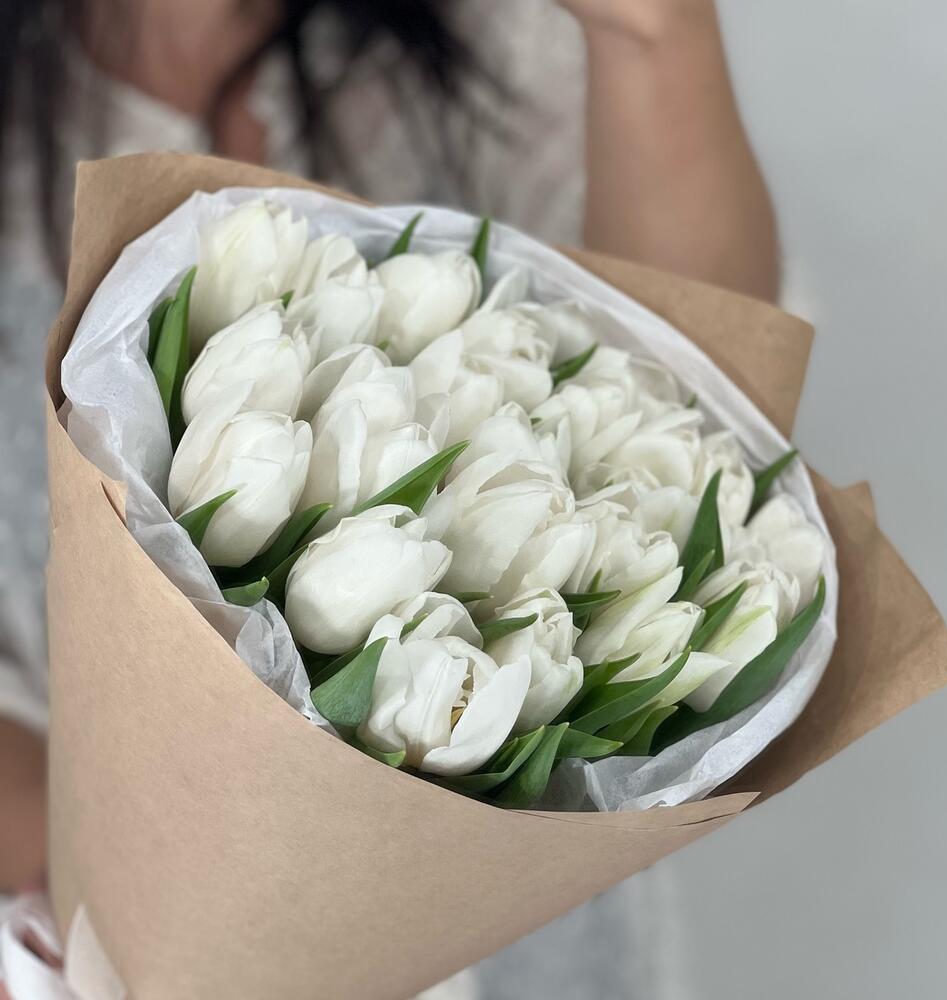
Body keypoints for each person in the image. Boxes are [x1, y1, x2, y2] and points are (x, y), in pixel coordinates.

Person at [0, 0, 777, 995]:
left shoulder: (493, 40)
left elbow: (698, 425)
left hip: (525, 951)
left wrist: (652, 35)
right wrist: (155, 898)